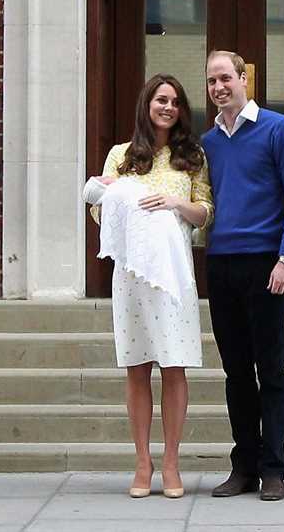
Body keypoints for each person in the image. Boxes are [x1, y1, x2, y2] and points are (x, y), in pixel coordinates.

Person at [83, 74, 213, 500]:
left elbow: (205, 212)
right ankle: (142, 461)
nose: (168, 107)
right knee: (137, 367)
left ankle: (172, 462)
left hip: (174, 276)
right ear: (147, 104)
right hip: (132, 275)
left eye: (175, 101)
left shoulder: (192, 156)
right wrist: (127, 203)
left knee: (173, 367)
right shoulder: (121, 156)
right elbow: (99, 211)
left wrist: (174, 204)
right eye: (161, 100)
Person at [202, 49, 284, 503]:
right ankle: (243, 466)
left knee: (271, 369)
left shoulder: (278, 129)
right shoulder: (208, 142)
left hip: (267, 264)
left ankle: (274, 468)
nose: (218, 87)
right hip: (221, 263)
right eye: (211, 81)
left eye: (225, 77)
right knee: (235, 373)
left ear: (244, 78)